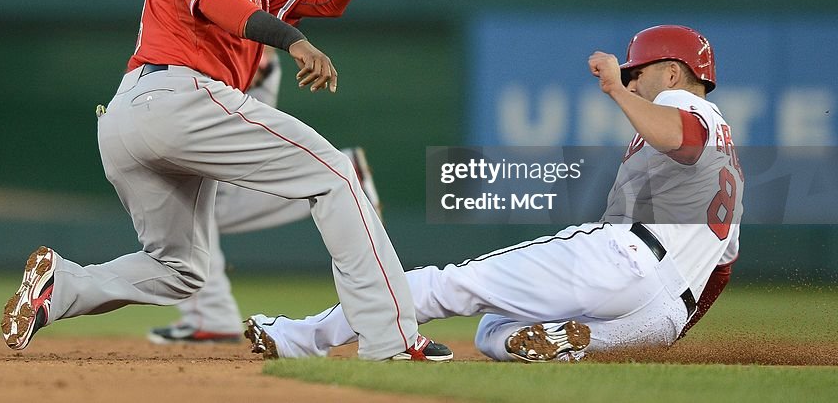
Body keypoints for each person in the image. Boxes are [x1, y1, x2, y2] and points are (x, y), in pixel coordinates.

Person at [1, 0, 451, 361]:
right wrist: (293, 41)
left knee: (180, 271)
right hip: (179, 97)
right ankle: (391, 340)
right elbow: (217, 3)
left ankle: (62, 288)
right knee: (334, 175)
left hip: (131, 119)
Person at [245, 25, 742, 362]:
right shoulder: (732, 169)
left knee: (446, 285)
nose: (633, 79)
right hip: (665, 309)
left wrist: (616, 89)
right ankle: (580, 342)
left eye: (640, 72)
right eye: (629, 74)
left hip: (622, 257)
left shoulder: (683, 106)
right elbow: (720, 271)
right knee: (493, 333)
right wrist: (668, 325)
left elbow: (682, 135)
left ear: (674, 73)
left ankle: (298, 337)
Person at [143, 0, 381, 345]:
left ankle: (212, 313)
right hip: (205, 65)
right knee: (197, 197)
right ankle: (212, 314)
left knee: (199, 197)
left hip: (245, 61)